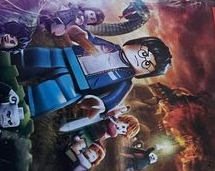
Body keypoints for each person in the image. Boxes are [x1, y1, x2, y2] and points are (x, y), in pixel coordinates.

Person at [12, 35, 171, 120]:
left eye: (147, 64)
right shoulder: (110, 47)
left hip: (73, 86)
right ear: (135, 43)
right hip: (64, 57)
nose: (141, 59)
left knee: (44, 97)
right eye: (143, 53)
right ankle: (11, 62)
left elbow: (112, 99)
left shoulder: (125, 82)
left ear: (145, 73)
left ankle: (16, 109)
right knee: (33, 58)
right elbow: (88, 38)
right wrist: (80, 35)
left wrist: (100, 104)